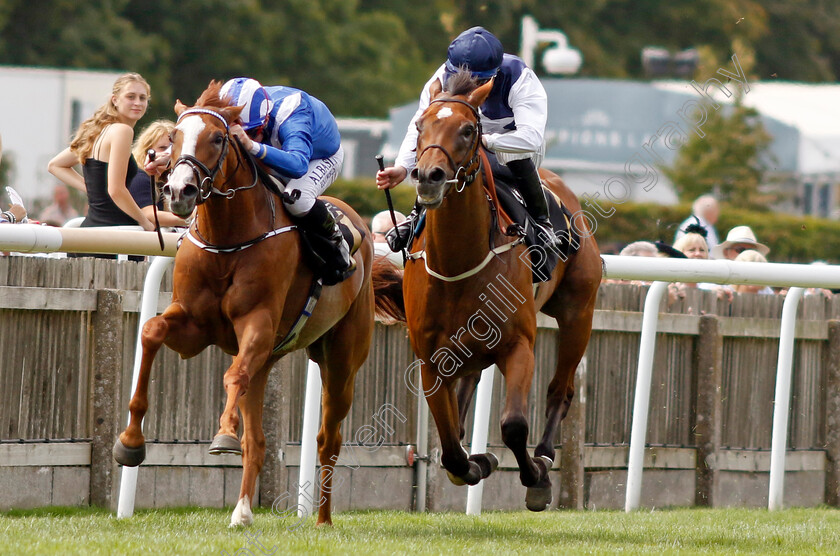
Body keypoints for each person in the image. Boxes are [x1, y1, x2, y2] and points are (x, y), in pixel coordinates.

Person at [376, 26, 553, 248]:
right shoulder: (441, 76)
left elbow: (531, 138)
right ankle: (415, 217)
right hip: (462, 140)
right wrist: (402, 167)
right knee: (438, 154)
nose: (470, 87)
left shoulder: (520, 78)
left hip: (513, 144)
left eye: (478, 81)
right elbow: (420, 125)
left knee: (508, 157)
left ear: (495, 73)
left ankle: (541, 222)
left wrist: (486, 140)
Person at [218, 77, 353, 281]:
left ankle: (336, 241)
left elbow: (298, 166)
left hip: (317, 157)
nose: (246, 137)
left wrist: (252, 145)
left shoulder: (292, 115)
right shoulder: (248, 109)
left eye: (252, 132)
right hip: (282, 148)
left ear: (264, 120)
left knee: (297, 200)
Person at [47, 73, 155, 232]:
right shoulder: (122, 131)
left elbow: (55, 165)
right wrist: (145, 222)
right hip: (114, 235)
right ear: (115, 100)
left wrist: (91, 188)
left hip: (92, 230)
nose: (137, 103)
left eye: (142, 98)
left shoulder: (97, 132)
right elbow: (116, 190)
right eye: (130, 97)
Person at [128, 120, 188, 228]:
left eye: (173, 148)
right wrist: (191, 218)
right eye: (162, 148)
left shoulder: (170, 179)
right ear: (147, 151)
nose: (169, 153)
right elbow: (151, 216)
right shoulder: (140, 178)